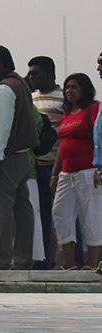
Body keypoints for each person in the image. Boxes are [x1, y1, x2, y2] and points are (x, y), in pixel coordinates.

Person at [0, 45, 36, 270]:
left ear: (1, 64)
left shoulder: (4, 89)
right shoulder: (20, 83)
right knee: (22, 210)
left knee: (1, 211)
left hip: (5, 159)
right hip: (21, 158)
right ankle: (22, 260)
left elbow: (0, 128)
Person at [50, 72, 101, 269]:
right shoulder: (67, 113)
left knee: (91, 215)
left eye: (74, 87)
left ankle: (91, 263)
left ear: (84, 89)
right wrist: (55, 174)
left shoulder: (93, 109)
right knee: (61, 212)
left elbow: (100, 137)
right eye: (67, 87)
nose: (69, 91)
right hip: (66, 173)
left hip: (88, 171)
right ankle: (69, 263)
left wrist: (100, 166)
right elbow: (63, 144)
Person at [27, 56, 65, 269]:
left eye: (35, 73)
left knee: (62, 215)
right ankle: (42, 260)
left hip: (57, 166)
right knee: (39, 215)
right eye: (29, 73)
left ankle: (70, 260)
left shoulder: (63, 97)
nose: (31, 77)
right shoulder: (31, 98)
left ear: (49, 74)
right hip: (37, 166)